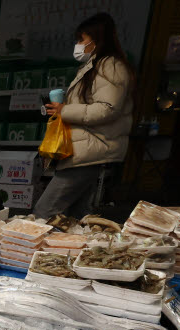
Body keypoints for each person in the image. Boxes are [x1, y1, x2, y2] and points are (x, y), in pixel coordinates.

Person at [33, 13, 134, 219]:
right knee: (76, 216)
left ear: (96, 40)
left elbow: (106, 108)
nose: (78, 45)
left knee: (44, 213)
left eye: (81, 39)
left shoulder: (110, 66)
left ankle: (36, 250)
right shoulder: (94, 66)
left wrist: (65, 110)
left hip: (88, 153)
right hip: (85, 151)